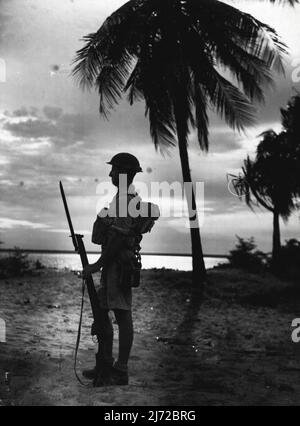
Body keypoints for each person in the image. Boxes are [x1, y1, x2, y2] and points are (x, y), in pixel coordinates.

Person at [82, 153, 159, 387]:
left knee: (123, 315)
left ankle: (121, 370)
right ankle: (105, 363)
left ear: (124, 173)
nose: (110, 174)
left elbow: (117, 239)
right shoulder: (122, 197)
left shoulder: (126, 200)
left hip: (119, 263)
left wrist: (97, 264)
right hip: (115, 263)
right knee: (103, 309)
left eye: (114, 170)